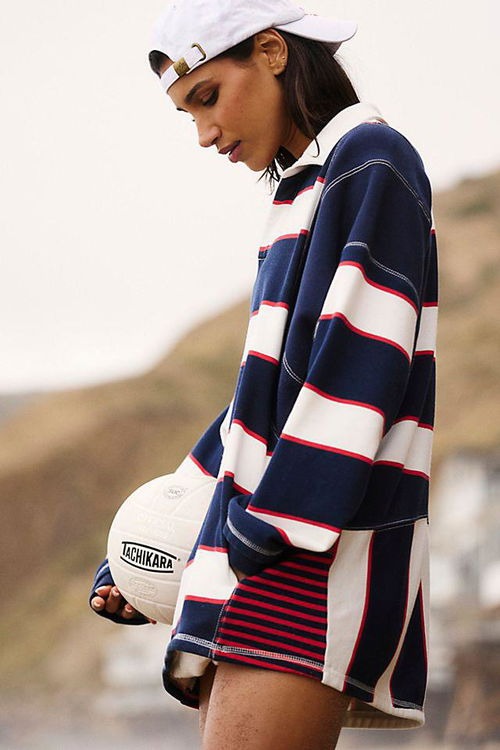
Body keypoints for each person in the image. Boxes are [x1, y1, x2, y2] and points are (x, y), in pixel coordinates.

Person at [90, 1, 438, 747]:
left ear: (274, 52)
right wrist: (152, 543)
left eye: (208, 97)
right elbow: (260, 403)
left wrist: (256, 536)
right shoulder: (302, 191)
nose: (204, 133)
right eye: (187, 114)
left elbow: (359, 369)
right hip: (273, 550)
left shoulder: (372, 161)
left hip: (307, 554)